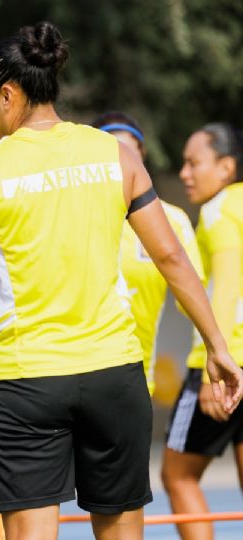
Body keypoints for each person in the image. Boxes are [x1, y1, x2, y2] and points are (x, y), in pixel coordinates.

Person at [0, 22, 242, 540]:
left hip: (25, 381)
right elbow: (172, 256)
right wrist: (218, 347)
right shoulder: (116, 155)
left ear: (8, 94)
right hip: (114, 374)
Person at [162, 123, 243, 540]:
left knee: (177, 476)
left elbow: (227, 284)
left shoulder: (218, 210)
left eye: (194, 163)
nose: (185, 173)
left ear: (226, 167)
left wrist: (218, 360)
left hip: (221, 367)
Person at [92, 112, 204, 395]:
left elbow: (199, 298)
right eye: (109, 150)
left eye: (127, 150)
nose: (120, 160)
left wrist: (209, 363)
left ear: (141, 155)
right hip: (73, 376)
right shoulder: (72, 216)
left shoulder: (171, 221)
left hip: (137, 380)